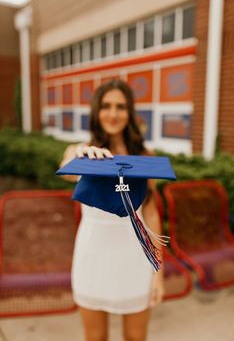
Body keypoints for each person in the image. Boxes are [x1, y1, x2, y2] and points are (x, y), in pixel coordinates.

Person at [60, 79, 164, 341]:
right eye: (106, 106)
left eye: (121, 106)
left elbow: (150, 214)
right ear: (97, 111)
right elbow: (67, 167)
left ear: (129, 112)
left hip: (135, 259)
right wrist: (81, 153)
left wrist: (158, 273)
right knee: (95, 338)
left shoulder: (145, 157)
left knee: (136, 338)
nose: (114, 113)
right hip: (92, 258)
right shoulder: (84, 154)